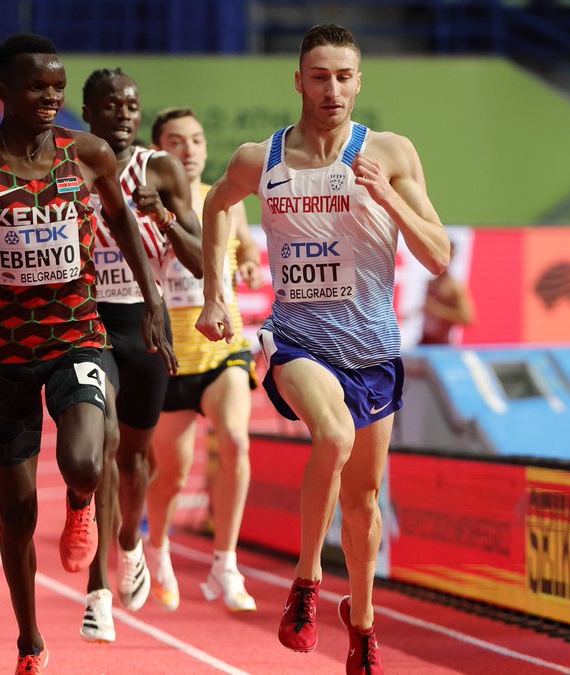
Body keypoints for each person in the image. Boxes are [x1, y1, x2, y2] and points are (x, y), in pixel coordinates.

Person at [195, 24, 449, 675]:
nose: (332, 89)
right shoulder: (263, 158)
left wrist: (386, 194)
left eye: (343, 76)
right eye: (319, 76)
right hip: (298, 344)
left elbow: (439, 255)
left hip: (373, 352)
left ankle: (361, 624)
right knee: (331, 436)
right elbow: (218, 206)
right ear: (298, 80)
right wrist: (217, 293)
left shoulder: (388, 153)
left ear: (360, 81)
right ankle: (305, 587)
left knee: (364, 503)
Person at [0, 34, 175, 675]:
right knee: (16, 513)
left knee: (82, 462)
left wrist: (153, 300)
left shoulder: (88, 154)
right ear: (4, 93)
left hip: (76, 329)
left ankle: (80, 507)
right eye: (35, 88)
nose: (50, 98)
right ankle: (29, 642)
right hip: (7, 347)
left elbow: (125, 222)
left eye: (56, 87)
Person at [80, 68, 203, 637]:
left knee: (133, 460)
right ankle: (96, 591)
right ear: (89, 114)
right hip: (87, 320)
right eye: (110, 106)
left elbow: (203, 263)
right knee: (99, 446)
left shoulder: (162, 170)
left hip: (147, 323)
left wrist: (168, 218)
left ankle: (130, 542)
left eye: (131, 105)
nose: (124, 114)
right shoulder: (71, 167)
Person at [145, 107, 263, 613]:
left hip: (223, 347)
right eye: (176, 141)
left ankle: (225, 565)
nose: (189, 149)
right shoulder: (142, 205)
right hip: (170, 359)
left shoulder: (226, 198)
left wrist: (254, 262)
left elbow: (246, 244)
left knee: (235, 440)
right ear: (158, 153)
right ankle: (159, 549)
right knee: (171, 474)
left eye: (195, 139)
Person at [418, 241, 473, 345]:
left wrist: (437, 309)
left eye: (448, 255)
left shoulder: (454, 287)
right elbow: (428, 309)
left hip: (440, 343)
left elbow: (467, 318)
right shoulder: (431, 283)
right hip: (424, 339)